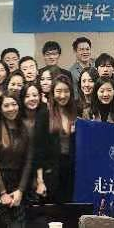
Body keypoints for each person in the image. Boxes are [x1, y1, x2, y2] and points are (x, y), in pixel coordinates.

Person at [34, 75, 77, 203]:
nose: (62, 95)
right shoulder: (44, 114)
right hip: (50, 174)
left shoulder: (76, 113)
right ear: (52, 93)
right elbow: (38, 150)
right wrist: (40, 181)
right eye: (58, 91)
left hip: (72, 173)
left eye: (66, 91)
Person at [0, 93, 34, 228]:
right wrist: (2, 192)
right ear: (0, 109)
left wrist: (20, 190)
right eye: (6, 105)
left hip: (19, 182)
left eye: (14, 104)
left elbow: (28, 161)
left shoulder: (26, 128)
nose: (11, 108)